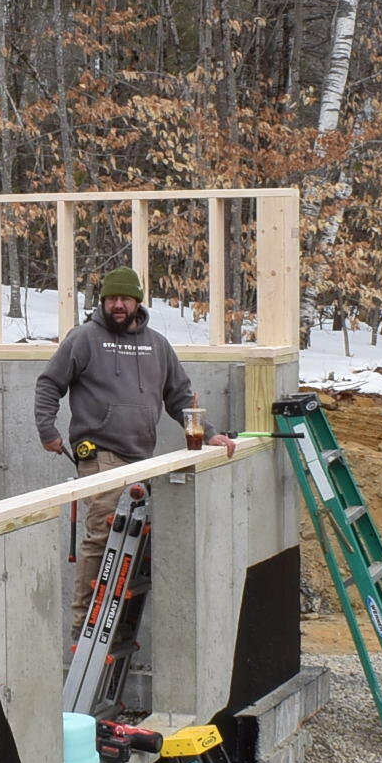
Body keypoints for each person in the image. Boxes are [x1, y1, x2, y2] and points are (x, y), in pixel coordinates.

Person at [34, 268, 231, 626]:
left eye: (125, 298)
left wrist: (211, 432)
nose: (118, 305)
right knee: (102, 536)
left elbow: (181, 396)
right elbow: (49, 384)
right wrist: (48, 430)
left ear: (138, 301)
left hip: (143, 458)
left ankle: (116, 620)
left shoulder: (156, 344)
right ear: (103, 301)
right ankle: (84, 624)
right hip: (100, 454)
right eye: (112, 299)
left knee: (134, 542)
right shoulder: (85, 339)